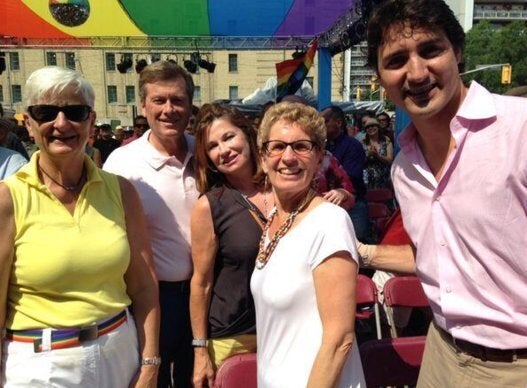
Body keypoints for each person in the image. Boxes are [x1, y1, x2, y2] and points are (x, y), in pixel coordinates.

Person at [361, 0, 527, 385]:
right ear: (381, 78)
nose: (416, 73)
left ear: (458, 51)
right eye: (397, 60)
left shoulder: (519, 130)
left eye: (430, 50)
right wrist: (355, 251)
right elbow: (436, 254)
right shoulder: (404, 168)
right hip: (441, 353)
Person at [0, 66, 160, 387]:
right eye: (46, 112)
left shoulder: (121, 191)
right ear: (29, 124)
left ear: (90, 120)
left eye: (75, 111)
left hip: (119, 353)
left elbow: (144, 286)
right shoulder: (8, 199)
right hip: (41, 365)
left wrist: (151, 363)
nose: (61, 123)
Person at [251, 102, 365, 387]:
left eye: (301, 146)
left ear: (318, 159)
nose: (288, 157)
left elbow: (340, 340)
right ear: (263, 159)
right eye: (277, 147)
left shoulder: (329, 222)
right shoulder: (276, 219)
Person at [104, 60, 199, 387]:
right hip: (153, 299)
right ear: (143, 106)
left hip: (207, 296)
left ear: (190, 104)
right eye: (159, 100)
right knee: (151, 378)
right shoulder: (121, 164)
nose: (169, 109)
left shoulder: (208, 154)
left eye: (178, 100)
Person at [189, 103, 270, 387]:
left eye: (228, 137)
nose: (223, 150)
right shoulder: (209, 206)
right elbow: (201, 283)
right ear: (208, 159)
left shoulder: (285, 189)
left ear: (248, 135)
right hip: (233, 338)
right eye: (212, 146)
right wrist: (200, 352)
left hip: (286, 328)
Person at [321, 105, 369, 241]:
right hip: (329, 205)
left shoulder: (352, 145)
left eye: (325, 121)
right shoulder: (324, 146)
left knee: (357, 243)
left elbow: (351, 176)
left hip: (353, 205)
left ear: (338, 122)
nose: (321, 125)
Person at [360, 117, 393, 189]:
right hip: (367, 181)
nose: (370, 128)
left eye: (373, 125)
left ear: (378, 127)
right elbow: (358, 162)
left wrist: (378, 156)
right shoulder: (362, 143)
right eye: (368, 127)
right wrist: (368, 156)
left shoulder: (386, 141)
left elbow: (390, 160)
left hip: (383, 180)